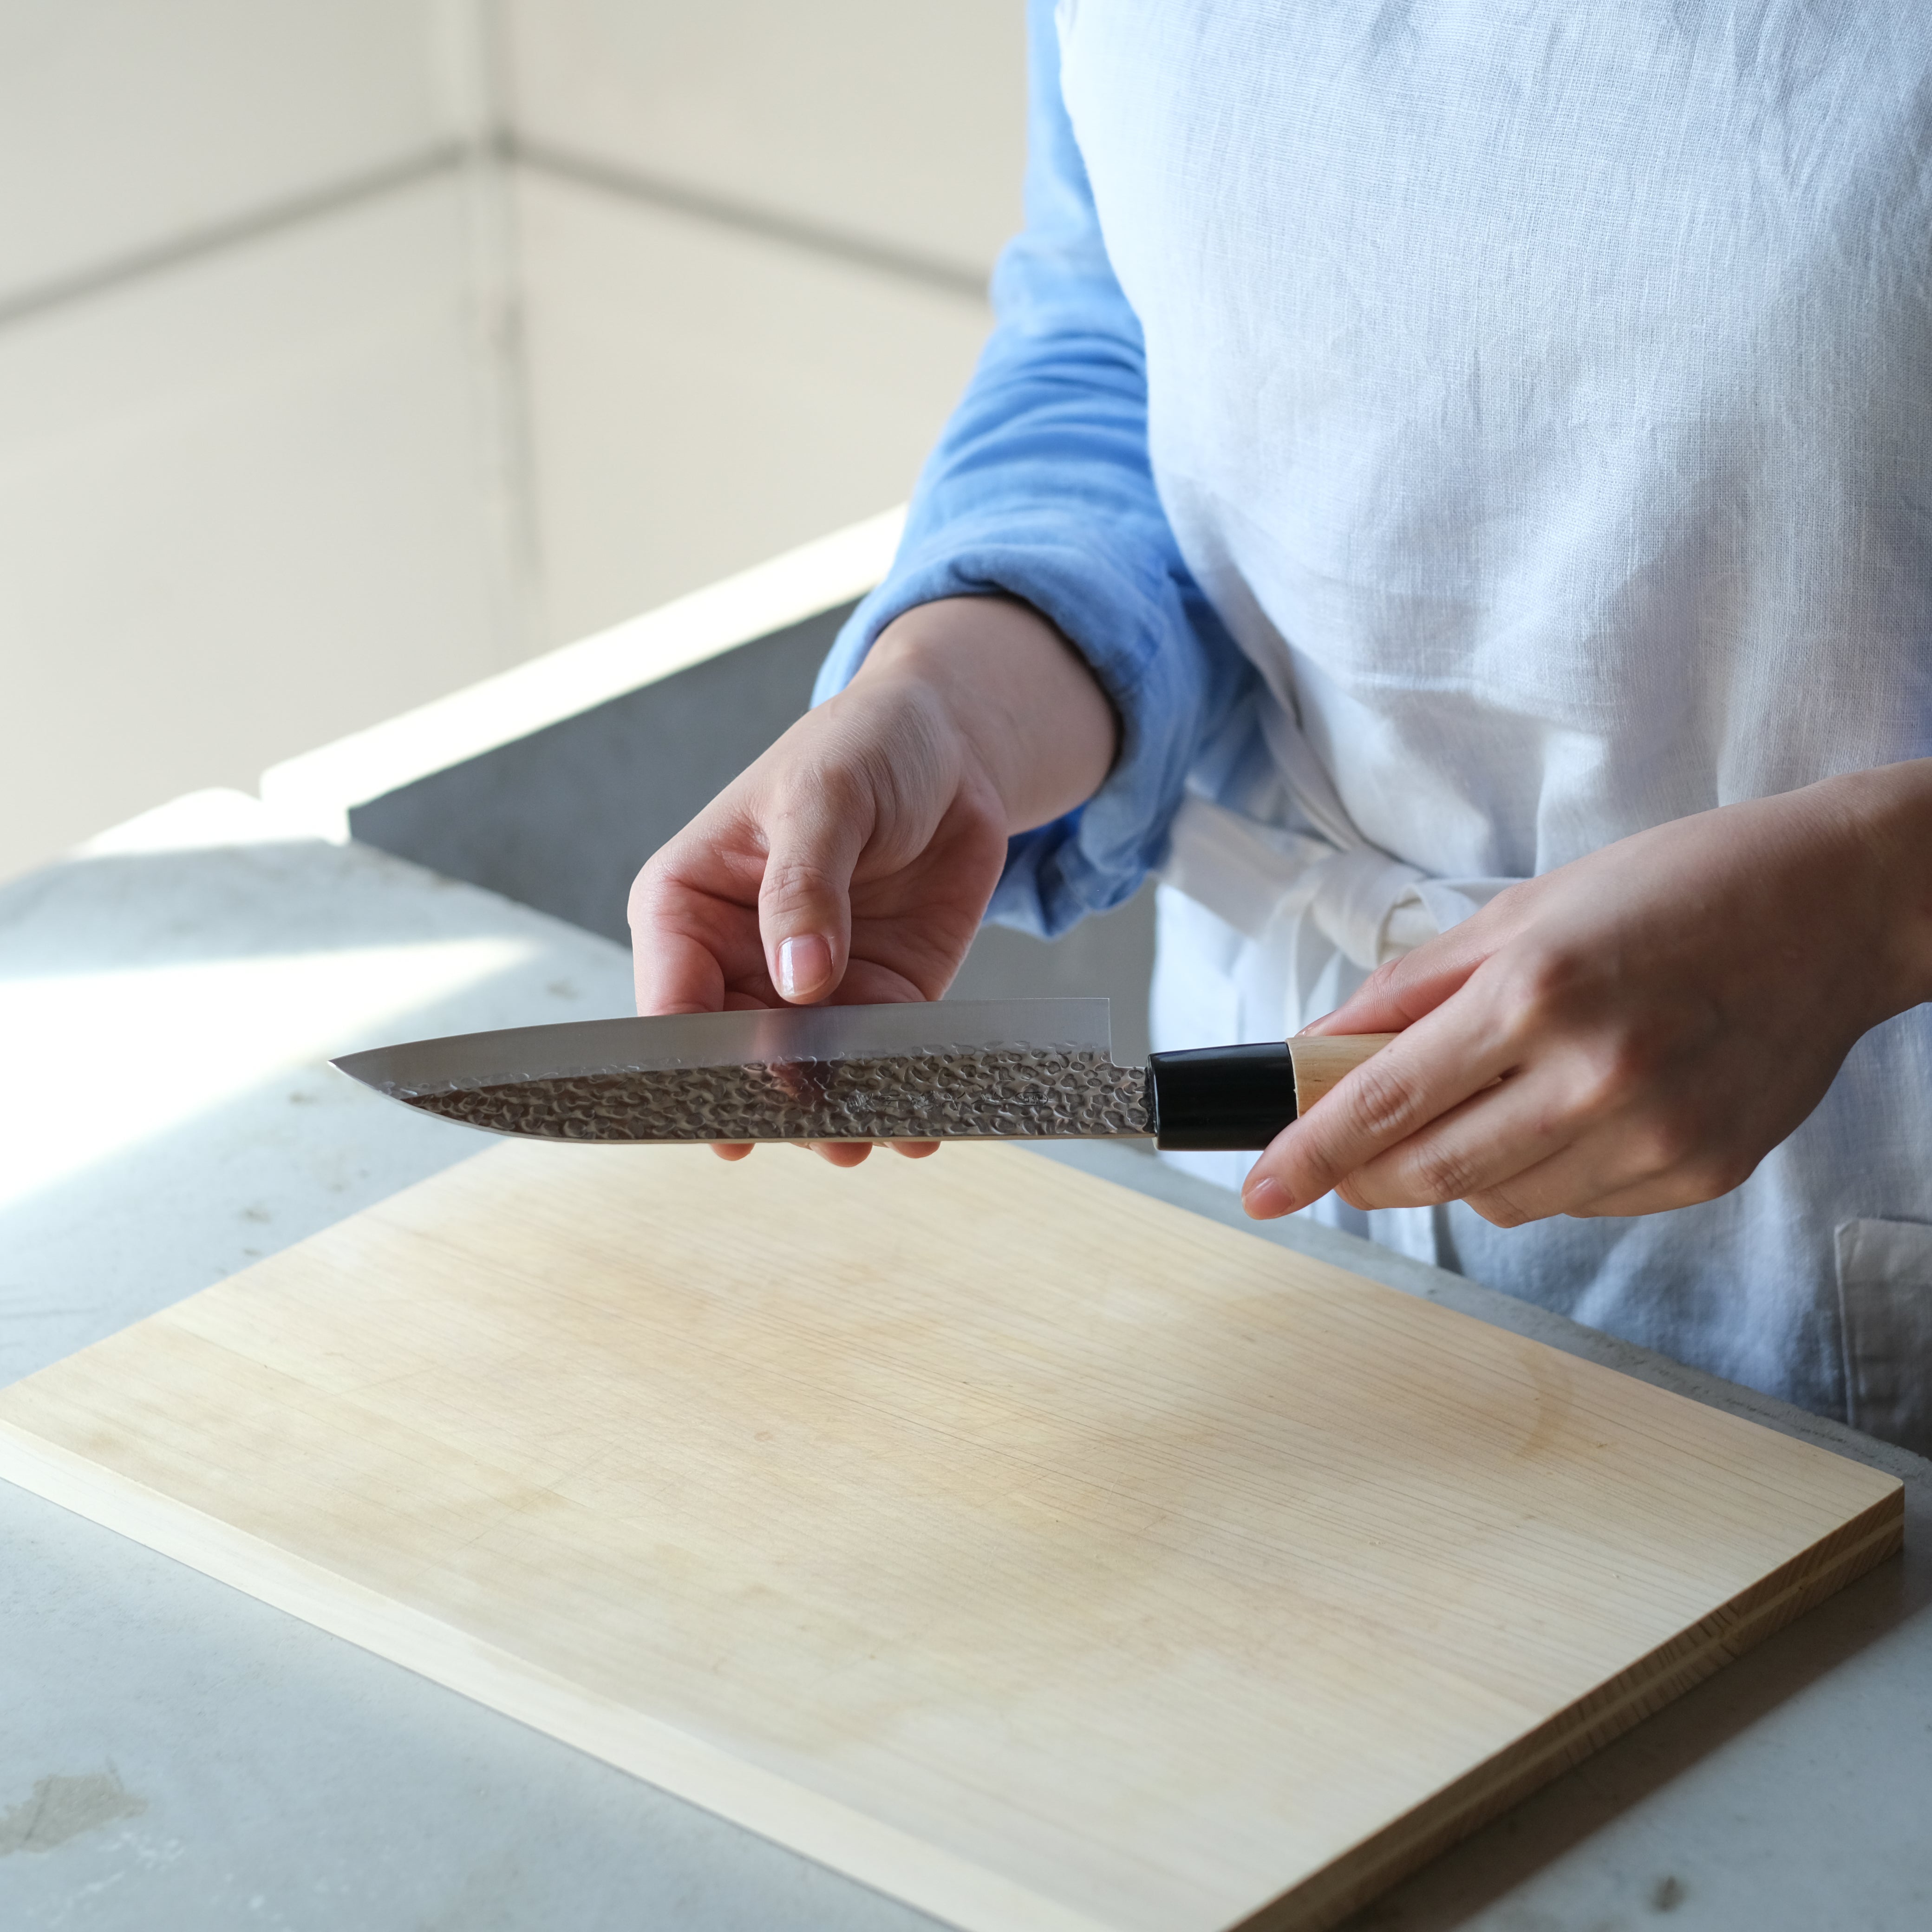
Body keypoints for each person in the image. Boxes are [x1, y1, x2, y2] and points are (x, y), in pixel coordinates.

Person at [629, 1, 1932, 1455]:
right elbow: (1122, 335)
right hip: (1277, 1213)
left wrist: (1880, 901)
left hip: (1862, 1245)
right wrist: (948, 698)